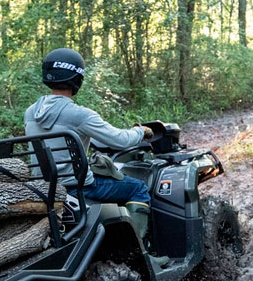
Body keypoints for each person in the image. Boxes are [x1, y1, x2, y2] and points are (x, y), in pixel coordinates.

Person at [24, 48, 156, 240]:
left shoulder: (30, 112)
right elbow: (121, 140)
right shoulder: (80, 114)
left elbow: (60, 137)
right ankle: (139, 245)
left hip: (44, 186)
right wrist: (140, 131)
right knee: (138, 188)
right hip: (76, 186)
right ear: (77, 78)